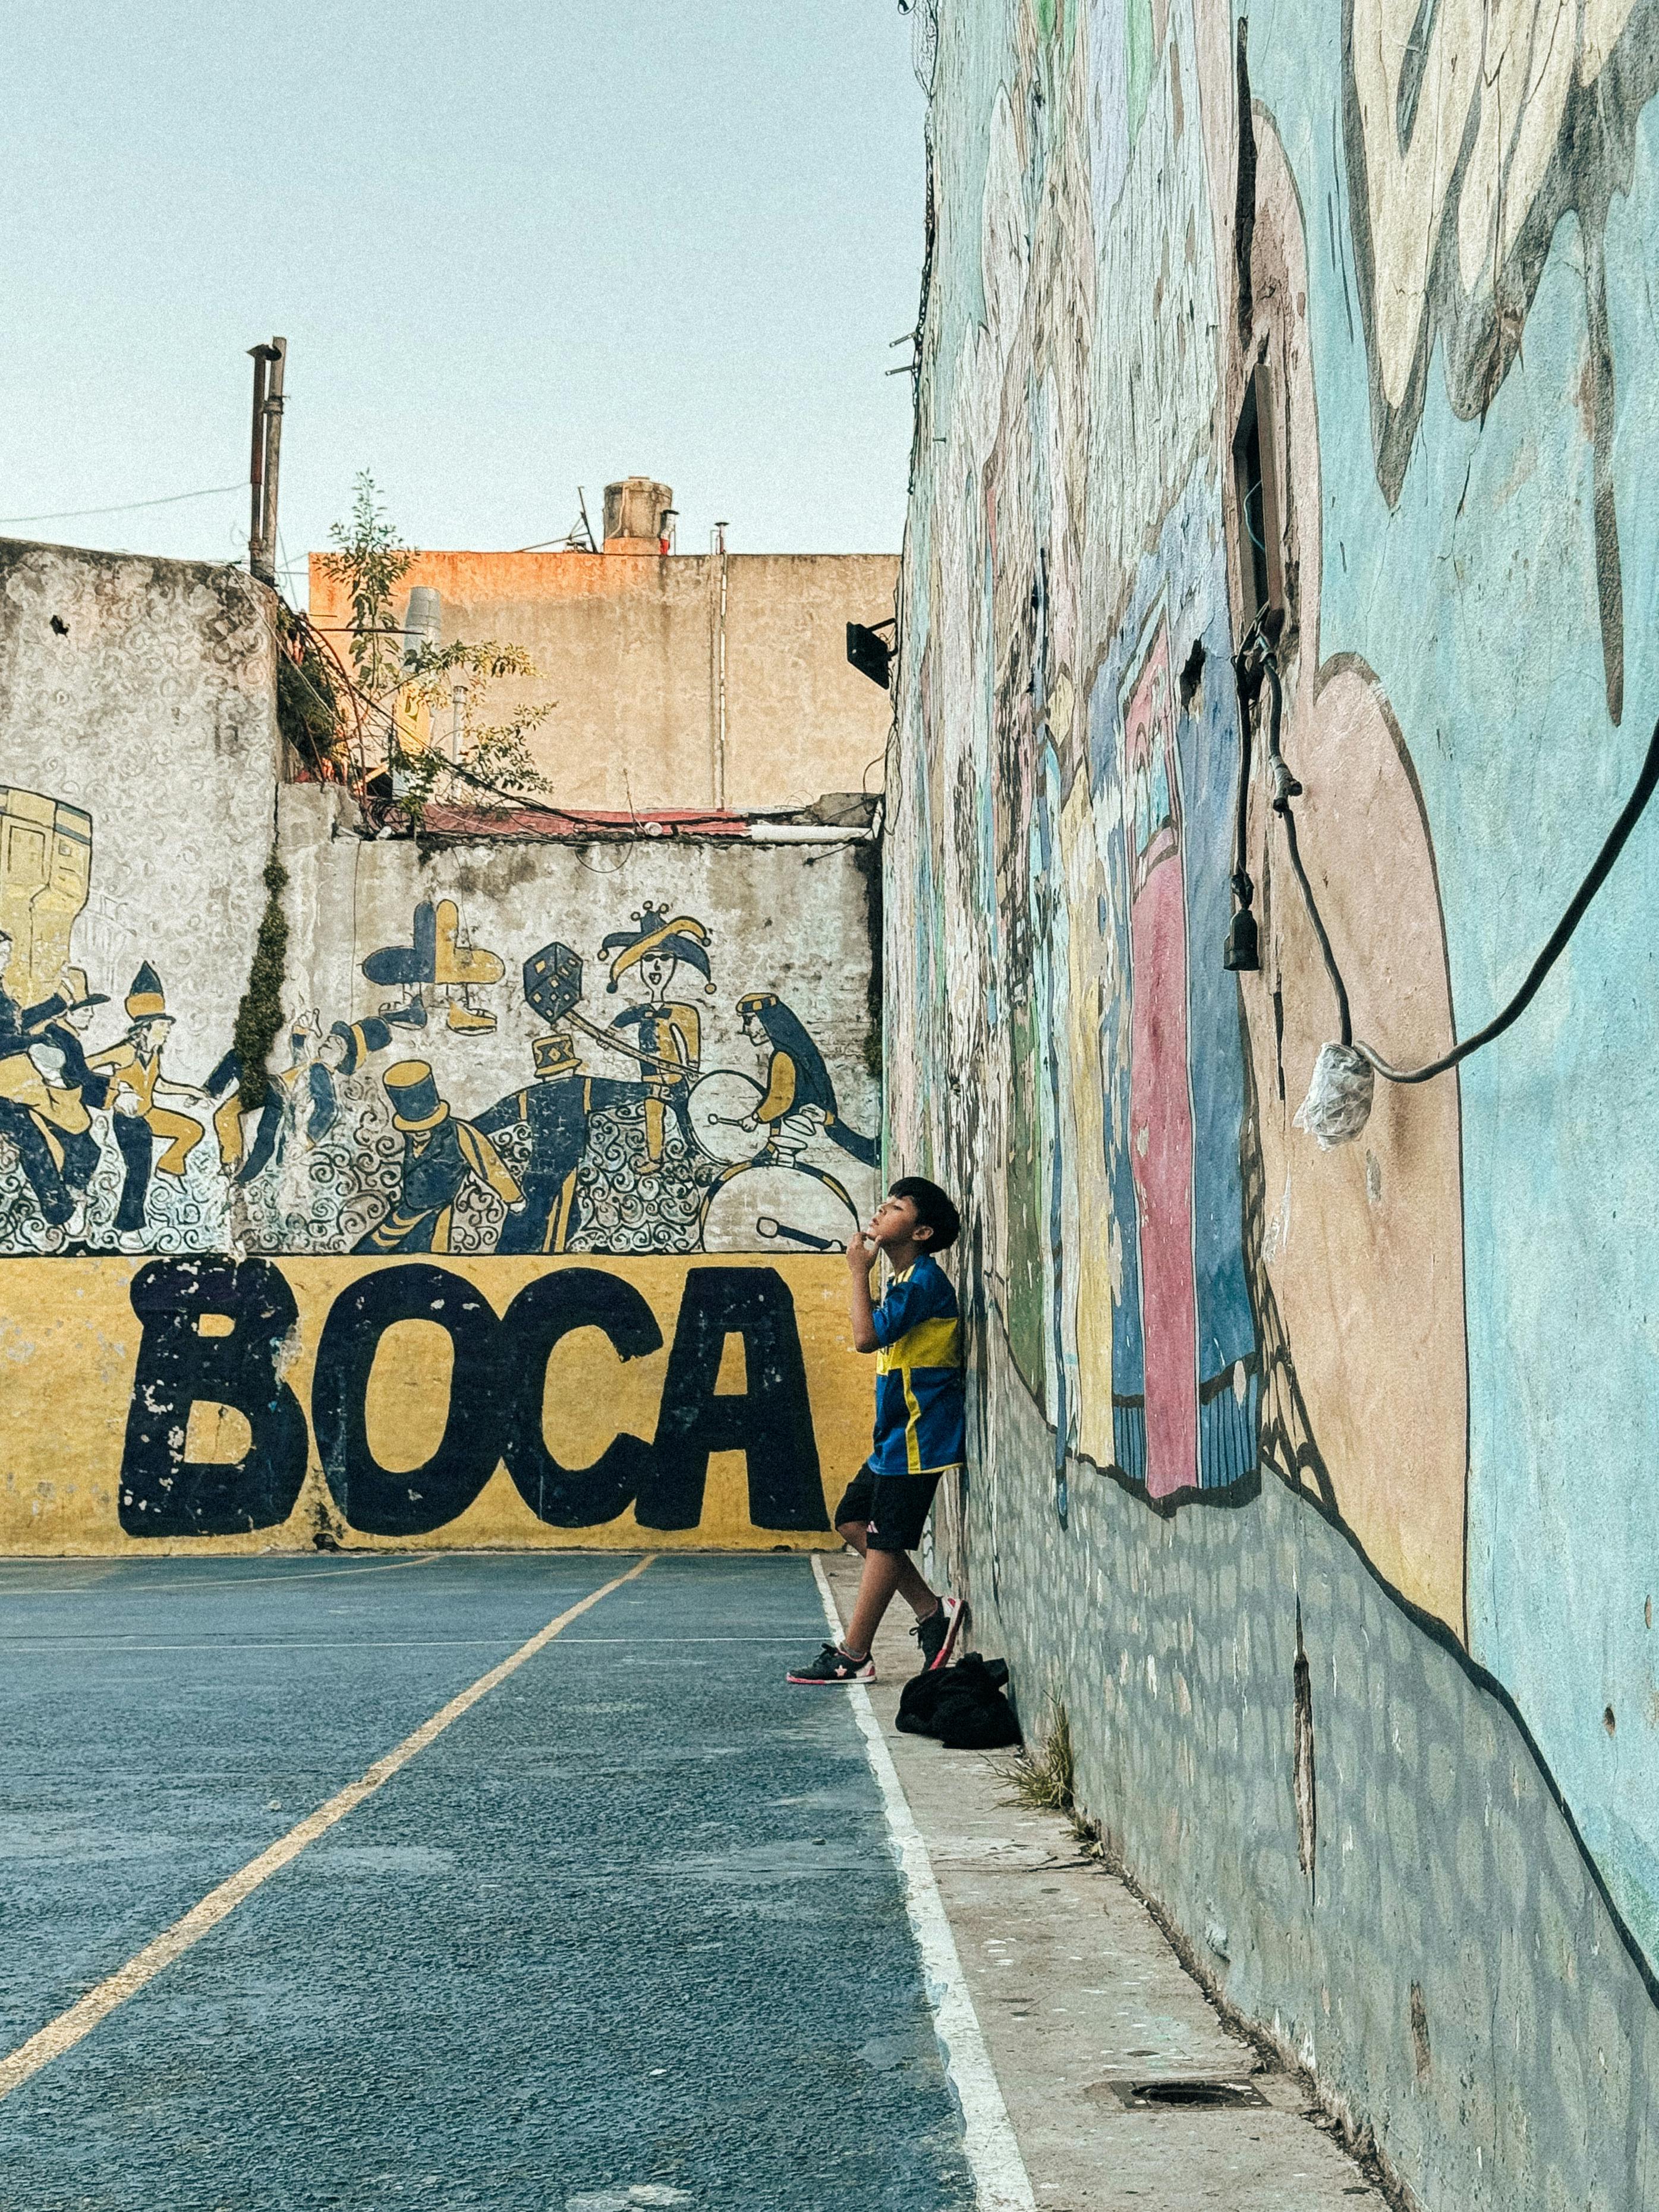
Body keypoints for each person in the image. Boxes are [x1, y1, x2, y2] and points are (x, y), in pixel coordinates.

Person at [787, 1176, 968, 1684]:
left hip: (920, 1436)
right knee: (852, 1519)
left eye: (896, 1207)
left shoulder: (923, 1283)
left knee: (886, 1539)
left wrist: (854, 1272)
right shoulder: (902, 1281)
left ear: (923, 1231)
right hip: (895, 1435)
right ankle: (933, 1610)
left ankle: (854, 1654)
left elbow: (865, 1338)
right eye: (884, 1203)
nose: (881, 1211)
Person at [473, 1027, 649, 1254]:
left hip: (539, 1168)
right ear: (571, 1064)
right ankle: (532, 1257)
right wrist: (652, 1089)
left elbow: (494, 1117)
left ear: (543, 1071)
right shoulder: (580, 1087)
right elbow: (621, 1091)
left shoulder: (530, 1095)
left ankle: (508, 1257)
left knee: (536, 1215)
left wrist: (465, 1128)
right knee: (557, 1216)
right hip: (565, 1166)